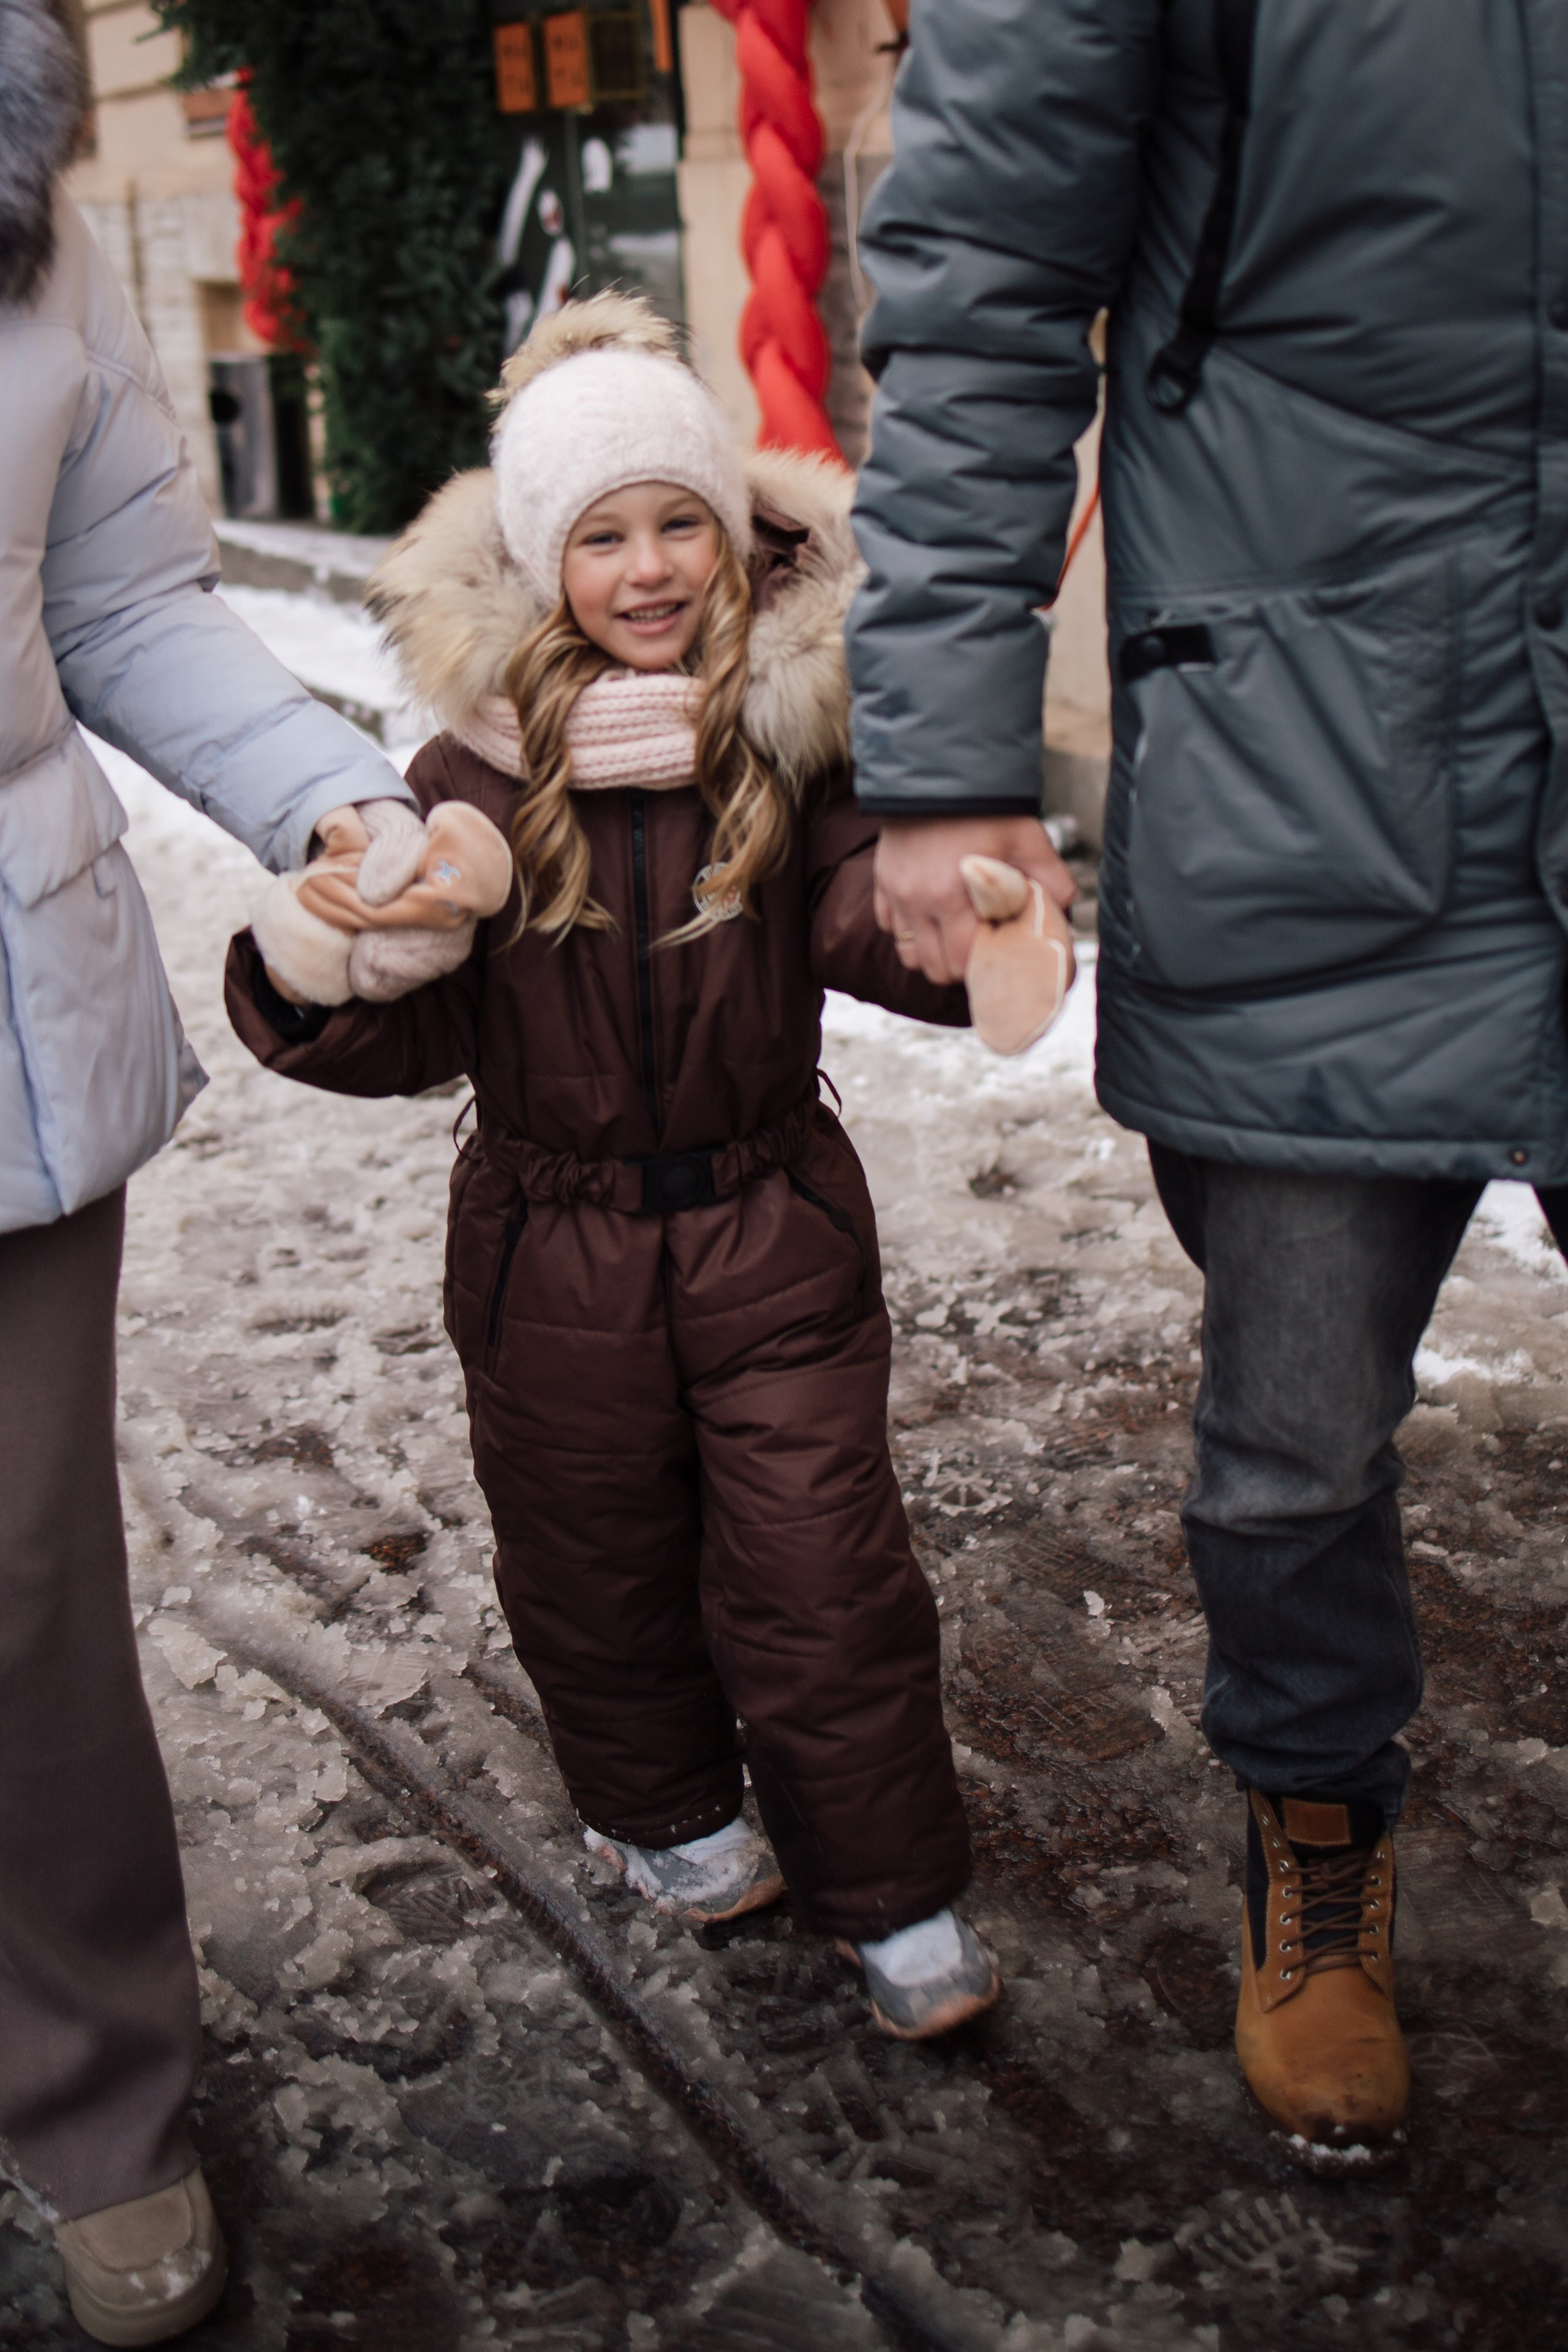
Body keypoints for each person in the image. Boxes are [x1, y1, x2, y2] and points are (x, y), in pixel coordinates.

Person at [845, 0, 1567, 2165]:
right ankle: (1315, 1837)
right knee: (1298, 1436)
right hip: (1313, 743)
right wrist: (948, 757)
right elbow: (981, 294)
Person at [224, 293, 1002, 2045]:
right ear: (535, 559)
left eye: (680, 525)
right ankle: (670, 1818)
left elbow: (867, 911)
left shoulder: (793, 745)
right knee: (597, 1559)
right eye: (603, 535)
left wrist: (955, 920)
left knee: (826, 1569)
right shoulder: (466, 776)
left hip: (772, 1227)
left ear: (734, 538)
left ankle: (893, 1890)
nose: (648, 569)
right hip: (550, 1251)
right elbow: (418, 1021)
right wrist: (328, 968)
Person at [0, 5, 455, 2339]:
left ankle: (94, 2096)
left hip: (0, 1031)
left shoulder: (35, 235)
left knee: (21, 1604)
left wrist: (337, 801)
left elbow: (123, 602)